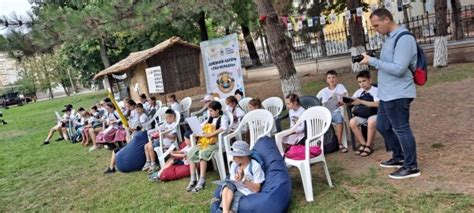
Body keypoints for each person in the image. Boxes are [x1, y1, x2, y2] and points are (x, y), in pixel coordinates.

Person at [359, 8, 420, 179]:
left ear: (387, 20)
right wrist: (373, 58)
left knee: (401, 128)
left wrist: (373, 61)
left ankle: (411, 166)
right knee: (382, 125)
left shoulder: (404, 38)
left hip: (399, 92)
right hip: (387, 93)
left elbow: (400, 69)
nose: (376, 29)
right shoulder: (389, 38)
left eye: (377, 25)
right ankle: (399, 156)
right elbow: (389, 62)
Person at [186, 101, 228, 192]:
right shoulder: (210, 118)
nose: (210, 112)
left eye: (211, 111)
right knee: (191, 152)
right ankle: (193, 179)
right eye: (209, 111)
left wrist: (211, 134)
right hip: (205, 142)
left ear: (217, 110)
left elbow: (224, 128)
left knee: (202, 153)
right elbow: (201, 126)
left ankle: (202, 180)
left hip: (215, 143)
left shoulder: (223, 118)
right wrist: (196, 131)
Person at [216, 141, 265, 213]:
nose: (233, 158)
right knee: (227, 185)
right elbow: (233, 182)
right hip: (235, 188)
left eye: (235, 156)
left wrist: (243, 180)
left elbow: (257, 189)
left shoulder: (255, 166)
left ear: (243, 156)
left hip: (246, 192)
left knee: (232, 202)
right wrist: (236, 179)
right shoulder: (234, 165)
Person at [316, 70, 348, 153]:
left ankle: (339, 142)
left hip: (337, 111)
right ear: (326, 80)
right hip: (326, 112)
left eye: (333, 77)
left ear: (336, 78)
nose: (331, 79)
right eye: (329, 78)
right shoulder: (324, 91)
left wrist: (339, 101)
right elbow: (321, 104)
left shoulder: (340, 87)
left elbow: (344, 98)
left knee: (338, 117)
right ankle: (324, 144)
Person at [348, 71, 379, 157]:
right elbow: (353, 101)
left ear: (370, 80)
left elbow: (377, 104)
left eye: (364, 81)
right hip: (363, 114)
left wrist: (361, 101)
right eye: (359, 82)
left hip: (376, 113)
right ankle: (364, 144)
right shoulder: (359, 91)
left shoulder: (376, 90)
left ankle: (369, 145)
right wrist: (344, 101)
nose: (362, 84)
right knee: (352, 122)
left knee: (371, 121)